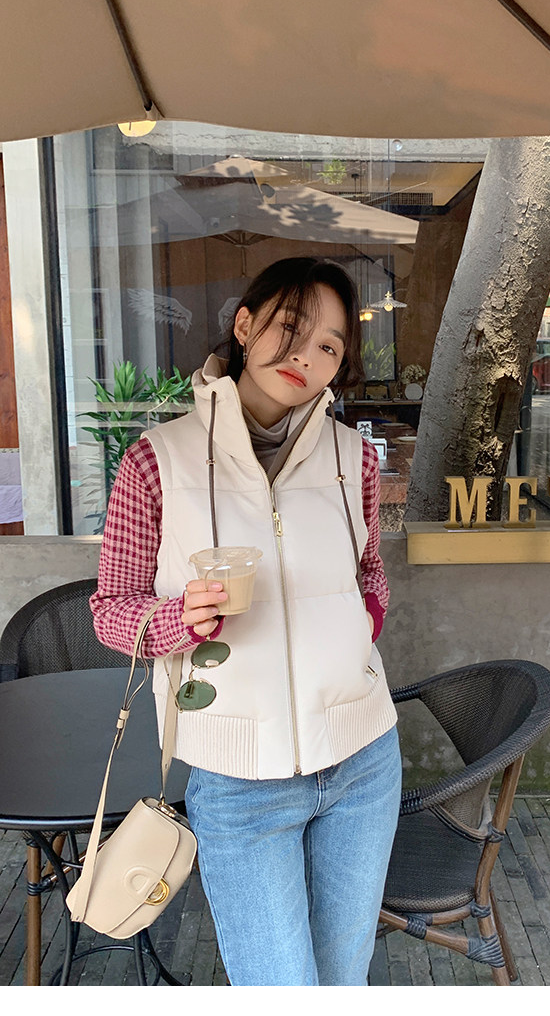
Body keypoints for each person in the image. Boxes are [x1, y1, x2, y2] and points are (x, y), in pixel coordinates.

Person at [90, 257, 401, 986]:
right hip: (239, 780)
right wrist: (179, 619)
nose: (305, 355)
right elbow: (111, 610)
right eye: (290, 328)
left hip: (362, 760)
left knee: (344, 979)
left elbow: (369, 573)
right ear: (244, 324)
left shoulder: (354, 459)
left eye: (328, 345)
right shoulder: (155, 461)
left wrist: (357, 635)